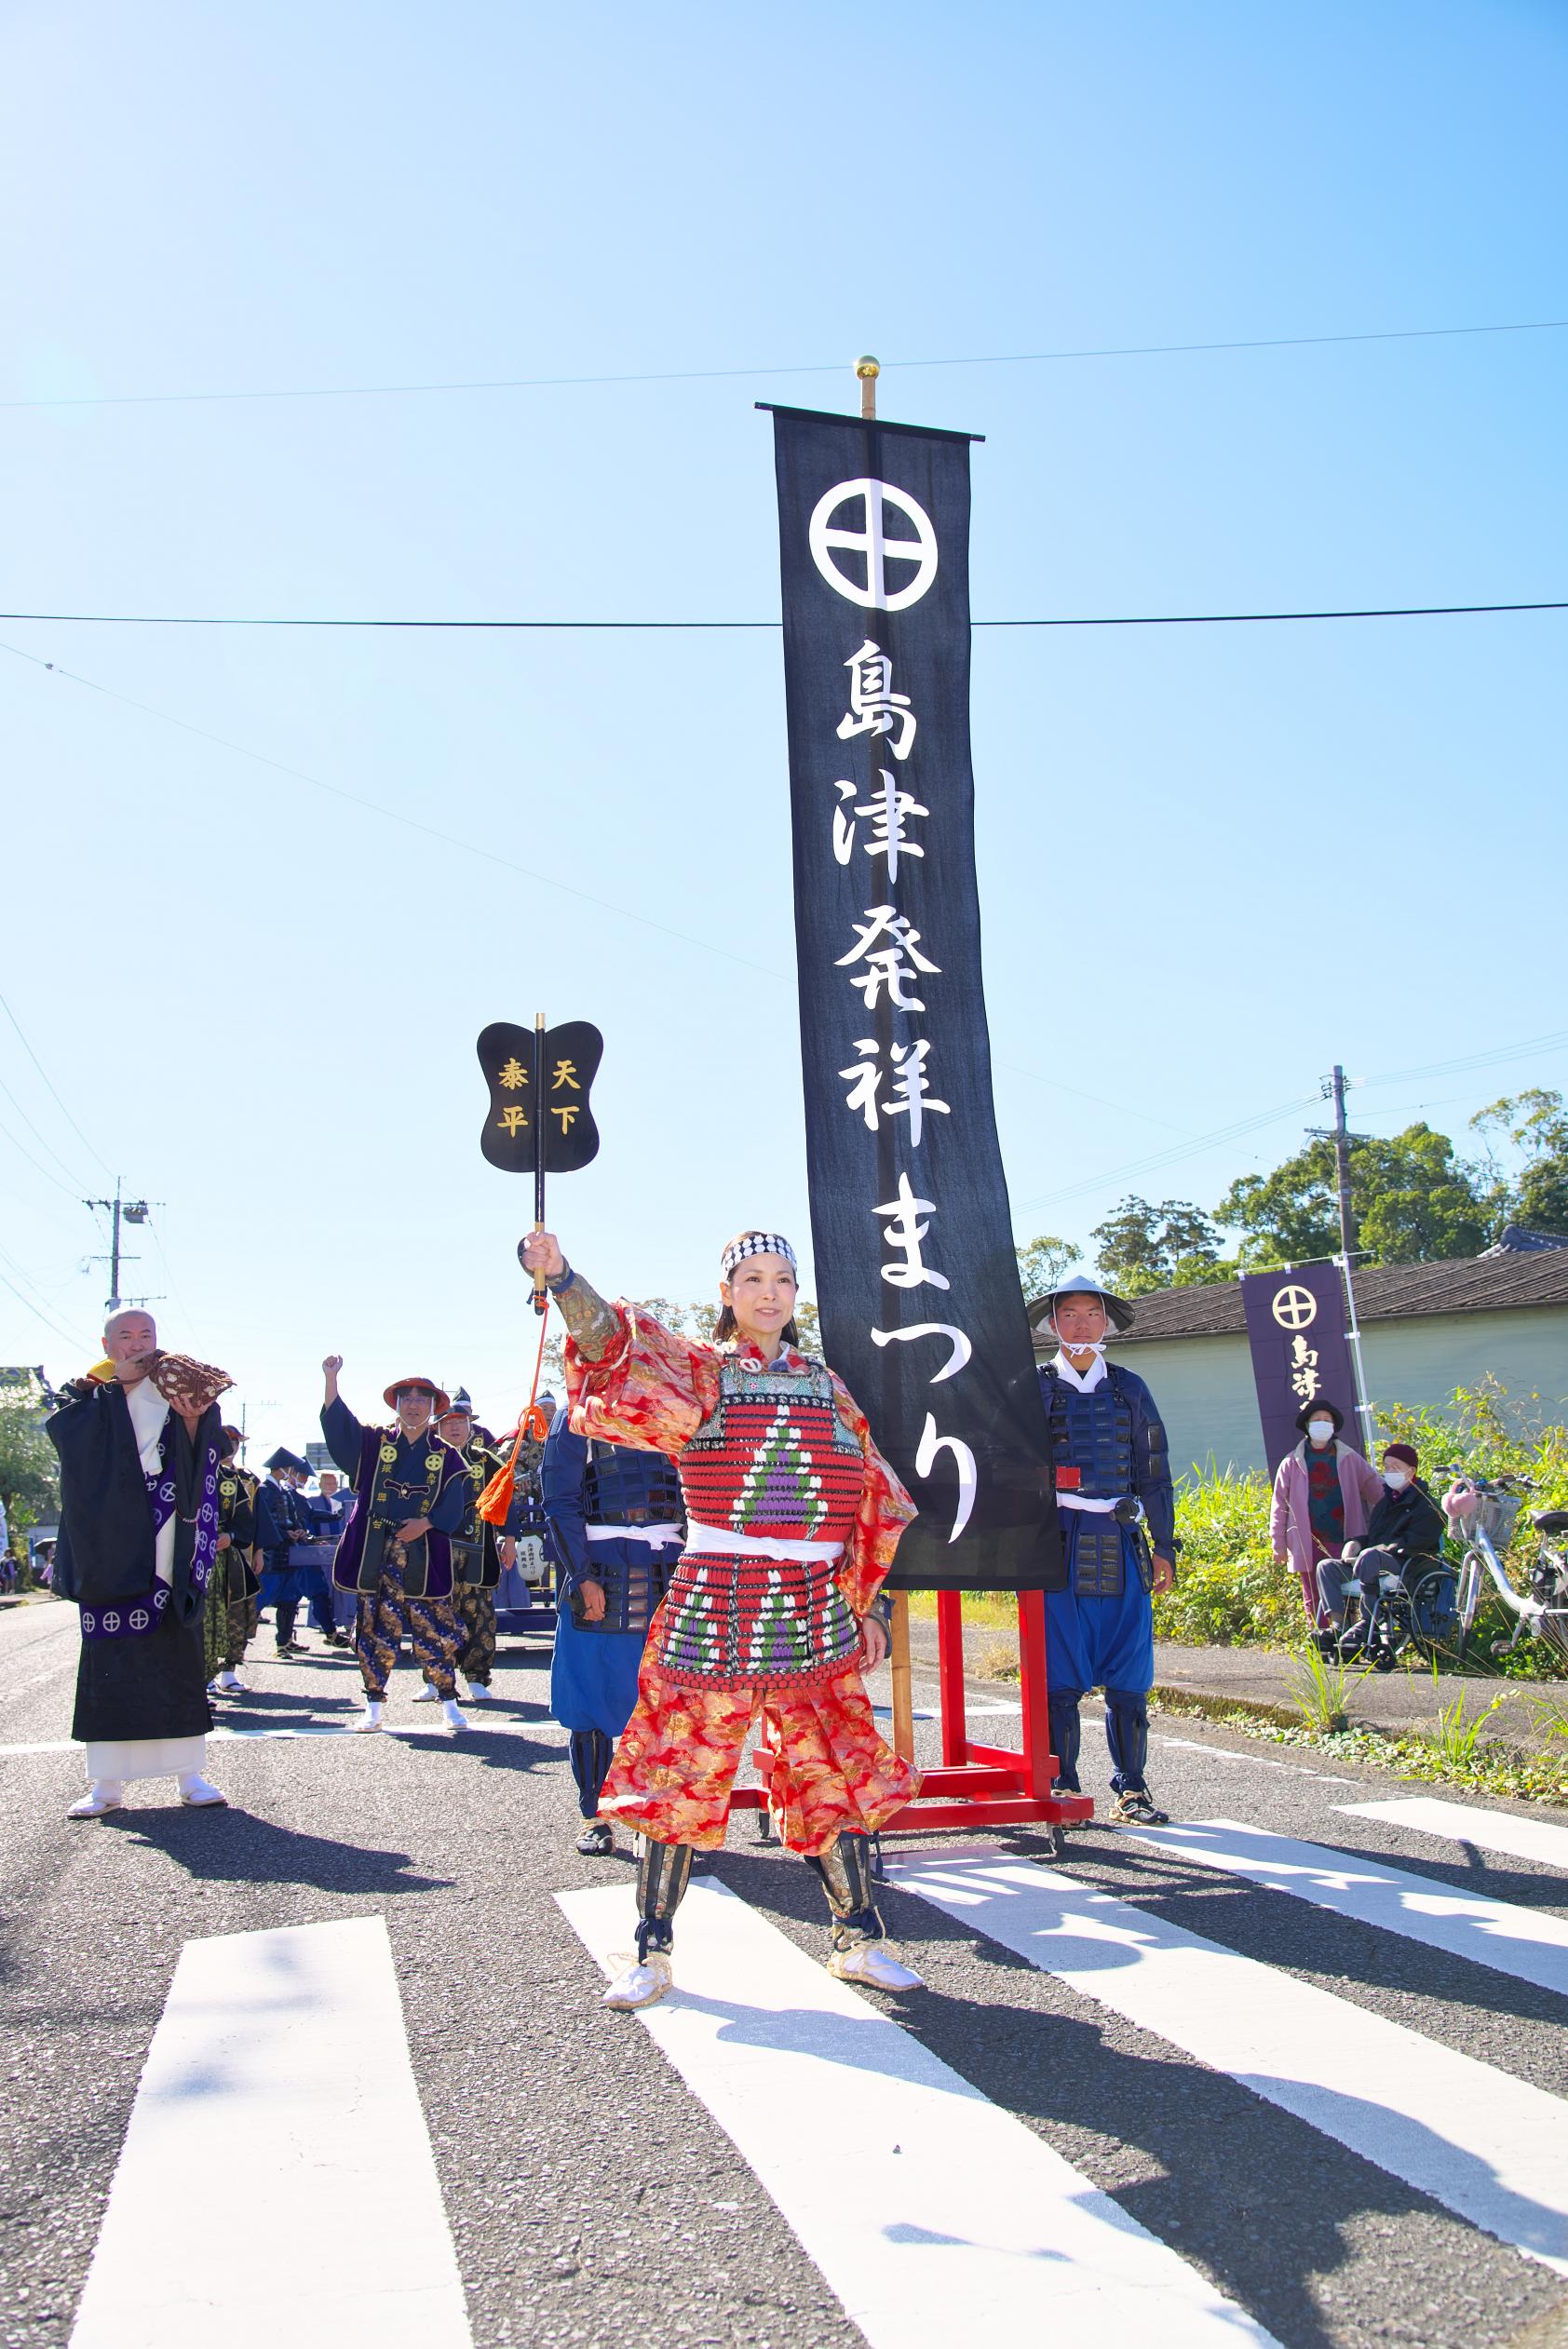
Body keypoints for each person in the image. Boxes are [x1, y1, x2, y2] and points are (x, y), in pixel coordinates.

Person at [521, 1225, 923, 2011]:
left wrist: (867, 1601)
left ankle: (859, 1938)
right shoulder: (703, 1374)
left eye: (782, 1279)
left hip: (811, 1605)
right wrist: (565, 1279)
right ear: (728, 1293)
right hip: (715, 1596)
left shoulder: (828, 1385)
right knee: (679, 1768)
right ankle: (651, 1949)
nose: (769, 1292)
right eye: (753, 1278)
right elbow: (615, 1352)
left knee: (828, 1769)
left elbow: (872, 1498)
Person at [47, 1310, 230, 1818]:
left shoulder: (177, 1380)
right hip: (110, 1539)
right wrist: (115, 1389)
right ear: (106, 1343)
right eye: (124, 1336)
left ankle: (190, 1774)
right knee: (110, 1652)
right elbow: (67, 1438)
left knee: (175, 1644)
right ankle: (106, 1785)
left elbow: (209, 1447)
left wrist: (193, 1416)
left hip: (169, 1525)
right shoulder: (84, 1390)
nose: (136, 1344)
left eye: (144, 1335)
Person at [1037, 1274, 1177, 1829]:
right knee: (1060, 1667)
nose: (1081, 1324)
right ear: (1053, 1323)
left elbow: (1155, 1473)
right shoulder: (1034, 1387)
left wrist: (1165, 1545)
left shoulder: (1130, 1389)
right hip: (1057, 1541)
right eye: (1069, 1314)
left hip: (1120, 1539)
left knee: (1129, 1667)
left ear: (1107, 1322)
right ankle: (1063, 1783)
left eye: (1091, 1313)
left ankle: (1133, 1787)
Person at [542, 1405, 684, 1855]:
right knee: (591, 1704)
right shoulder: (576, 1418)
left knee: (673, 1708)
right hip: (603, 1577)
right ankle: (593, 1816)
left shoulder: (675, 1409)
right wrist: (582, 1575)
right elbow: (560, 1502)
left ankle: (658, 1817)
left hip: (673, 1573)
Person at [319, 1360, 470, 1734]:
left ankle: (449, 1700)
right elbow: (341, 1430)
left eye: (422, 1398)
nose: (414, 1404)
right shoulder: (374, 1442)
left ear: (434, 1406)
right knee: (373, 1627)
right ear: (396, 1404)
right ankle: (373, 1704)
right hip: (376, 1552)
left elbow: (455, 1502)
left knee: (433, 1627)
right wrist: (331, 1380)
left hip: (423, 1554)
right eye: (406, 1397)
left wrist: (427, 1523)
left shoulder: (448, 1456)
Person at [415, 1388, 514, 1706]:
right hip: (435, 1550)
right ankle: (433, 1679)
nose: (454, 1427)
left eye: (460, 1421)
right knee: (433, 1615)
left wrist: (509, 1539)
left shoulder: (486, 1461)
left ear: (470, 1426)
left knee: (480, 1615)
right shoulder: (425, 1460)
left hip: (477, 1548)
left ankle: (477, 1677)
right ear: (437, 1428)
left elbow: (505, 1500)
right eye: (447, 1422)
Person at [1317, 1441, 1448, 1649]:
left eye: (1396, 1467)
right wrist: (1355, 1543)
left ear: (1411, 1470)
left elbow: (1417, 1541)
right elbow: (1374, 1536)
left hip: (1407, 1564)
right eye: (1386, 1467)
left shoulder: (1427, 1506)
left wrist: (1379, 1550)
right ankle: (1337, 1627)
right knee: (1326, 1567)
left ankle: (1368, 1622)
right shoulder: (1384, 1503)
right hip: (1374, 1562)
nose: (1390, 1472)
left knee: (1370, 1557)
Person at [1271, 1398, 1384, 1630]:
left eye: (1326, 1420)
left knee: (1347, 1590)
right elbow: (1279, 1506)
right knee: (1313, 1592)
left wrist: (1404, 1497)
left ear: (1333, 1426)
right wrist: (1278, 1543)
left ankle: (1348, 1635)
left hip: (1343, 1539)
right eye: (1316, 1420)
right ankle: (1321, 1637)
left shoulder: (1350, 1458)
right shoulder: (1291, 1462)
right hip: (1306, 1540)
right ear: (1307, 1426)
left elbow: (1376, 1489)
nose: (1322, 1424)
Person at [254, 1448, 336, 1656]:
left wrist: (298, 1530)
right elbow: (265, 1521)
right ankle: (235, 1648)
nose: (290, 1472)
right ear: (282, 1469)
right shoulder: (263, 1490)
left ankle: (283, 1643)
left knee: (289, 1599)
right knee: (259, 1599)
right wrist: (285, 1533)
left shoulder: (283, 1491)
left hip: (289, 1553)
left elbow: (295, 1517)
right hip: (271, 1555)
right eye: (290, 1468)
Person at [204, 1424, 258, 1695]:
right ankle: (202, 1677)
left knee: (235, 1613)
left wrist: (232, 1535)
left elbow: (248, 1524)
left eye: (235, 1444)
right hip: (194, 1560)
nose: (231, 1449)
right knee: (201, 1618)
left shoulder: (234, 1479)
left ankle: (228, 1672)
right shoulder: (191, 1471)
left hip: (228, 1560)